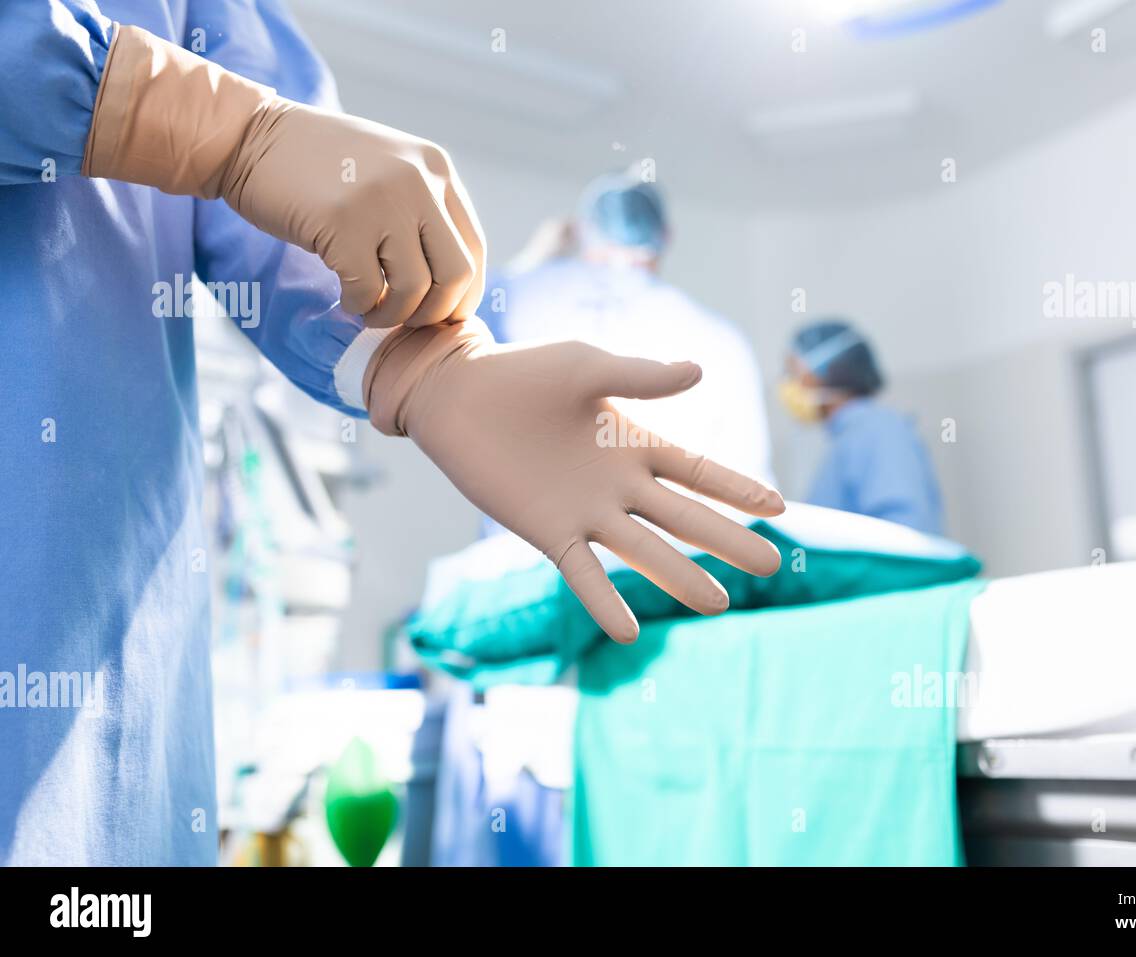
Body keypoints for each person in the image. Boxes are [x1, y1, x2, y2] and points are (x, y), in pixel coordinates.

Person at [0, 1, 782, 866]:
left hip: (126, 630)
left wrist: (429, 365)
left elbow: (273, 221)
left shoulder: (540, 292)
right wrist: (197, 120)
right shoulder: (721, 339)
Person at [485, 171, 773, 486]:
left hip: (531, 515)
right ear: (666, 236)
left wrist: (533, 258)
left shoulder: (526, 297)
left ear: (582, 231)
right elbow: (748, 480)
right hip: (663, 516)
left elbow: (455, 317)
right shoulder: (720, 340)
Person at [779, 320, 944, 535]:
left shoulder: (880, 431)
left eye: (793, 373)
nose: (788, 384)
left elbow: (906, 531)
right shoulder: (849, 436)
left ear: (827, 371)